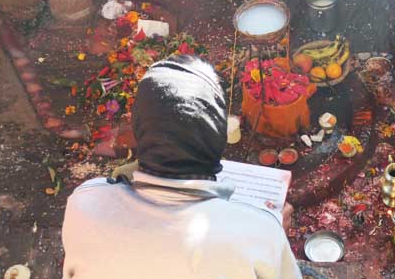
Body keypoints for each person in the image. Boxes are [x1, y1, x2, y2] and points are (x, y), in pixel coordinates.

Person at [62, 54, 302, 279]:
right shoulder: (258, 230)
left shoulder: (84, 203)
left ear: (139, 129)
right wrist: (268, 236)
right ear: (217, 134)